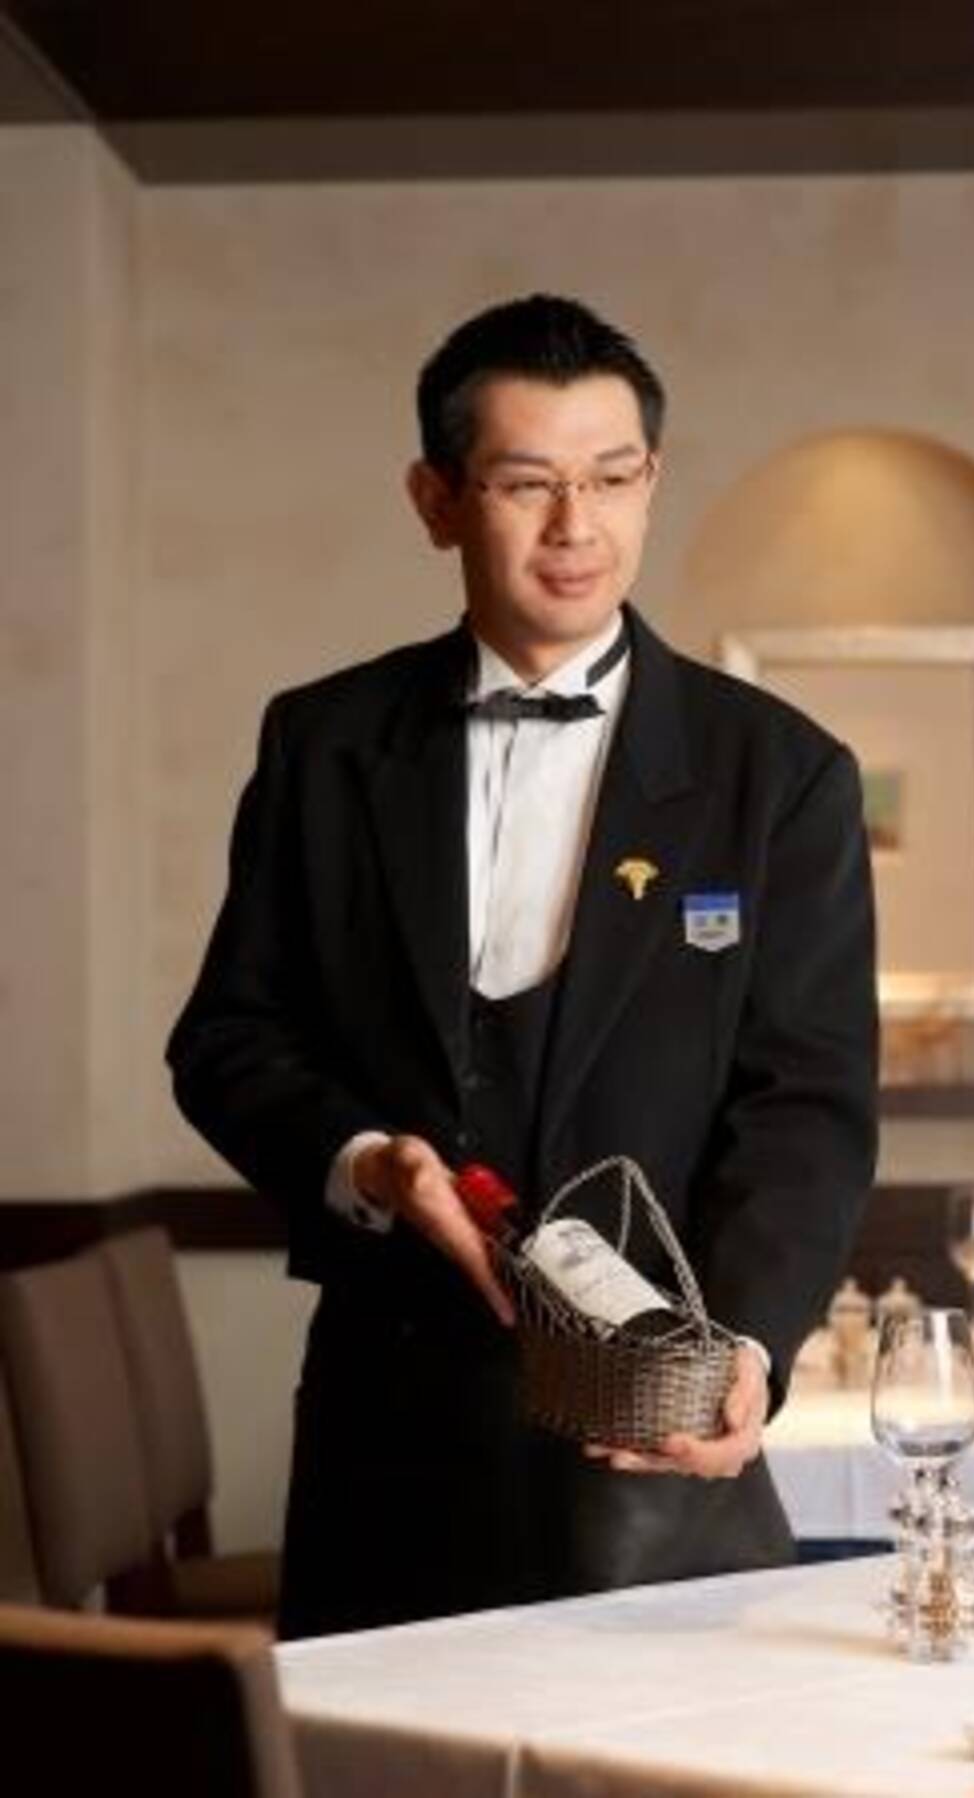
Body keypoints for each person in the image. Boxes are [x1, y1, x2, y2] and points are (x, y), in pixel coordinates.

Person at [168, 294, 878, 1639]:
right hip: (389, 1435)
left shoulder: (781, 775)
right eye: (526, 483)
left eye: (611, 478)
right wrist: (365, 1160)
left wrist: (746, 1346)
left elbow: (807, 1104)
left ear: (653, 482)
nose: (575, 526)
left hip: (657, 1443)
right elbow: (229, 1039)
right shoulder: (323, 744)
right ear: (437, 500)